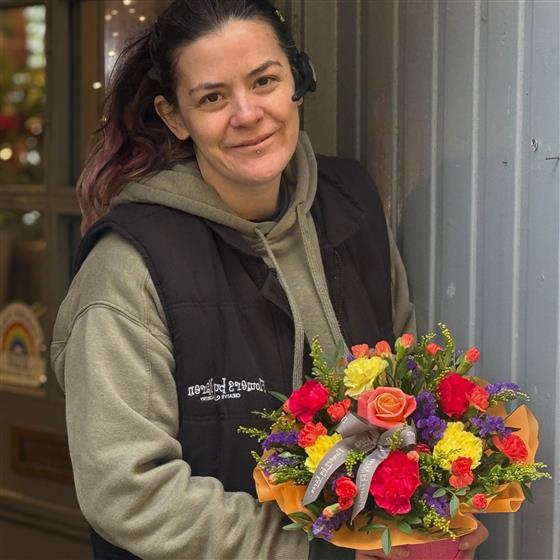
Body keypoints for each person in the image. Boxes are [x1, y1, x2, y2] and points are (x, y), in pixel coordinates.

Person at [51, 1, 488, 559]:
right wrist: (327, 549)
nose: (247, 113)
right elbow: (128, 491)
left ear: (297, 81)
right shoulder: (129, 267)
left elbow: (411, 393)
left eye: (264, 81)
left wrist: (441, 513)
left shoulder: (352, 204)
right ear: (175, 117)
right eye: (212, 97)